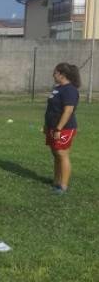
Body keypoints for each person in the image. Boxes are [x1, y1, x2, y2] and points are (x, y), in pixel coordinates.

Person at [44, 63, 80, 194]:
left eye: (55, 72)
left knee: (62, 154)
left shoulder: (70, 90)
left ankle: (63, 186)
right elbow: (51, 108)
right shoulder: (57, 88)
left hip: (64, 128)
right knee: (55, 154)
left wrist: (58, 129)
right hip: (52, 126)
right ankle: (56, 181)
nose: (53, 75)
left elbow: (68, 111)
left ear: (62, 74)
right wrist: (46, 125)